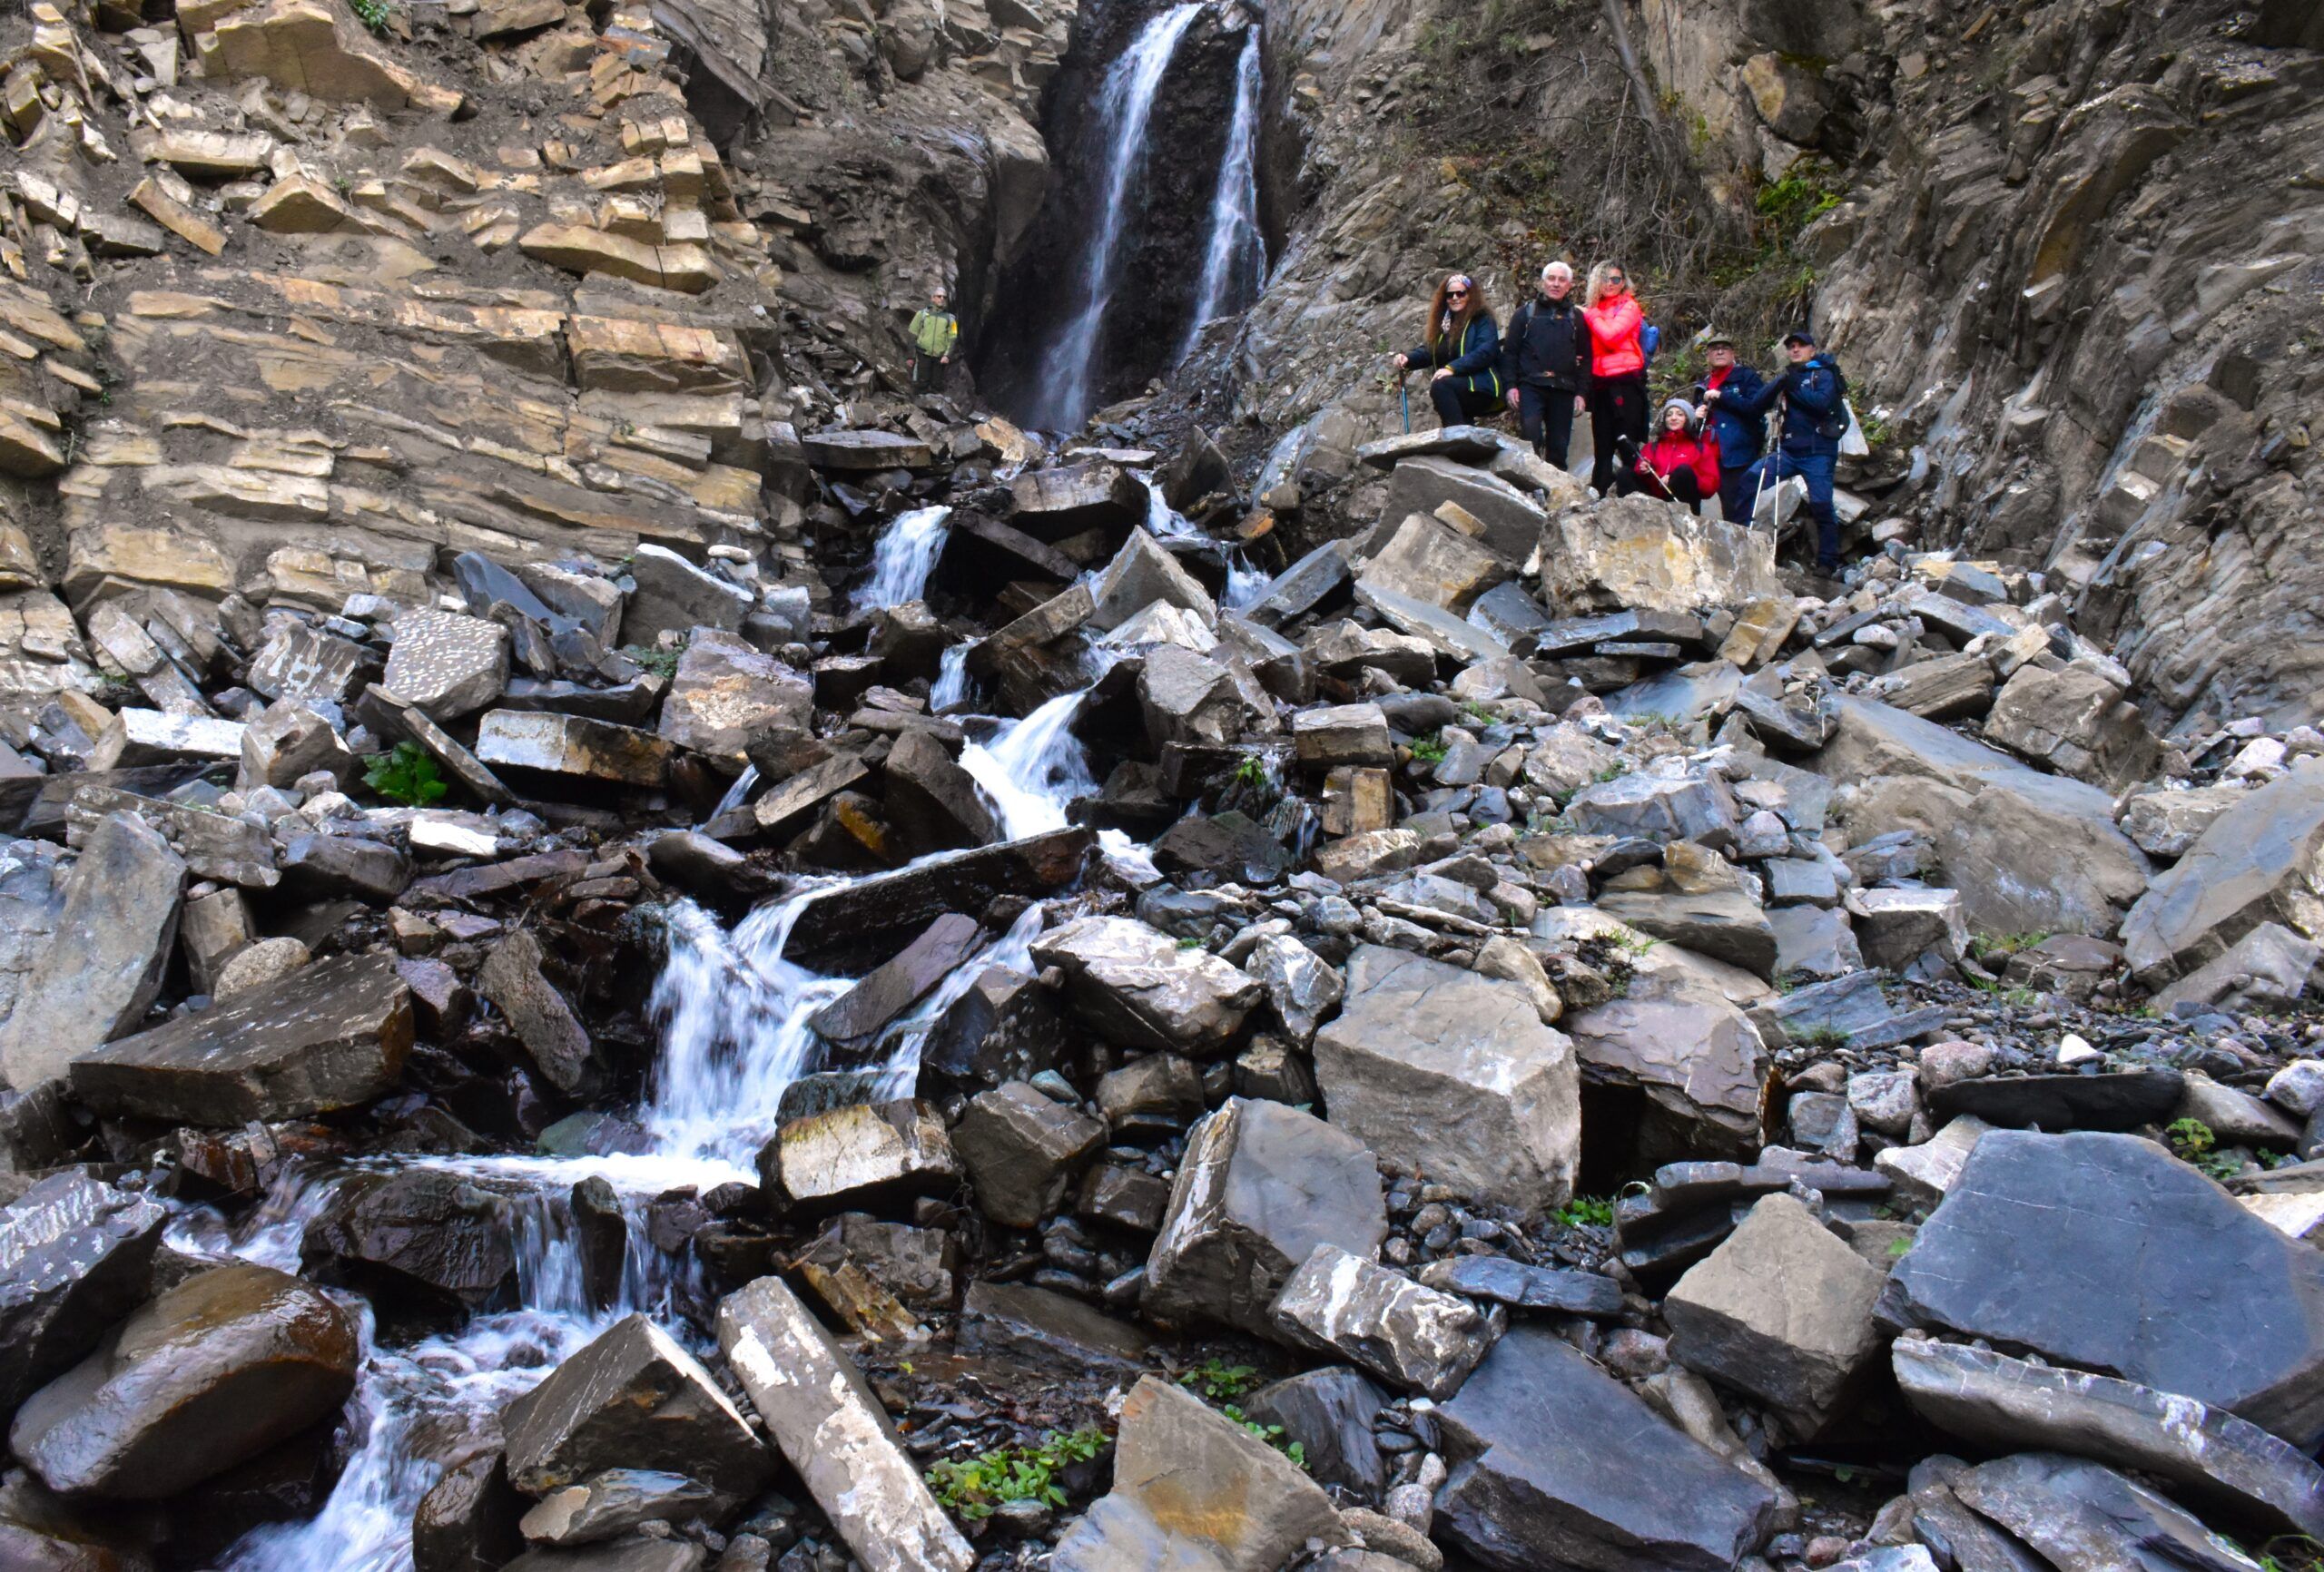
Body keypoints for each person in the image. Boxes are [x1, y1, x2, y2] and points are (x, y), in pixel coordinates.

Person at [1734, 328, 1848, 575]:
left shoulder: (1824, 374)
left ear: (1812, 349)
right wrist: (1780, 382)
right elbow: (1756, 405)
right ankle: (1739, 538)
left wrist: (1793, 386)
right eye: (1791, 346)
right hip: (1787, 451)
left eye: (1801, 345)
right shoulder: (1789, 377)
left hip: (1818, 451)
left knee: (1821, 503)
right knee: (1750, 479)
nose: (1795, 349)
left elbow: (1821, 404)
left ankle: (1827, 562)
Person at [1499, 260, 1588, 469]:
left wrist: (1582, 393)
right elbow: (1510, 353)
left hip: (1564, 388)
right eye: (1551, 278)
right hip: (1531, 386)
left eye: (1562, 280)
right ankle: (1529, 487)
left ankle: (1558, 496)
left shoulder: (1577, 318)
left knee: (1558, 446)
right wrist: (1510, 386)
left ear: (1569, 285)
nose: (1556, 284)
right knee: (1530, 436)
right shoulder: (1524, 314)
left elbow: (1586, 358)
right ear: (1543, 283)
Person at [1393, 273, 1502, 428]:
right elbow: (1431, 351)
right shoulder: (1445, 324)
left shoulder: (1482, 319)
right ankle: (1463, 445)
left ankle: (1456, 437)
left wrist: (1452, 369)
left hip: (1480, 385)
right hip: (1458, 386)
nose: (1455, 298)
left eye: (1461, 293)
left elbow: (1485, 352)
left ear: (1470, 295)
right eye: (1450, 295)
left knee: (1441, 385)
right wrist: (1407, 359)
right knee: (1447, 394)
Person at [1581, 261, 1649, 495]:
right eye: (1605, 279)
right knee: (1602, 448)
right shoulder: (1595, 309)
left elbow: (1611, 336)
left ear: (1623, 283)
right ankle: (1599, 498)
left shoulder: (1629, 307)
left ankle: (1635, 497)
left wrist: (1590, 315)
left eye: (1616, 279)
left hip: (1626, 382)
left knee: (1627, 444)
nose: (1610, 284)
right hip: (1600, 384)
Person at [1692, 330, 1768, 522]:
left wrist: (1723, 397)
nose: (1719, 352)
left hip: (1737, 454)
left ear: (1733, 353)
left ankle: (1741, 547)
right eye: (1714, 349)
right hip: (1707, 455)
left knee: (1737, 507)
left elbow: (1757, 407)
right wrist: (1696, 415)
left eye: (1724, 348)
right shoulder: (1704, 383)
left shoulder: (1746, 377)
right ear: (1708, 355)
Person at [1615, 398, 1720, 513]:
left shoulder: (1700, 448)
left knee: (1683, 471)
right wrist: (1646, 471)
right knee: (1624, 473)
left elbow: (1710, 485)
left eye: (1680, 414)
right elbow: (1639, 474)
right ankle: (1633, 518)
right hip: (1654, 502)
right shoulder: (1652, 447)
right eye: (1669, 415)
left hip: (1683, 504)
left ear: (1688, 419)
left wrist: (1675, 477)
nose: (1673, 418)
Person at [907, 287, 958, 392]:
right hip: (923, 354)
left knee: (937, 384)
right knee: (921, 383)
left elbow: (953, 338)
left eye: (944, 297)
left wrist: (947, 355)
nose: (942, 299)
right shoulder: (921, 315)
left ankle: (934, 406)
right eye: (939, 296)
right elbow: (912, 334)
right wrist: (910, 357)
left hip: (940, 357)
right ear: (933, 298)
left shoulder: (951, 319)